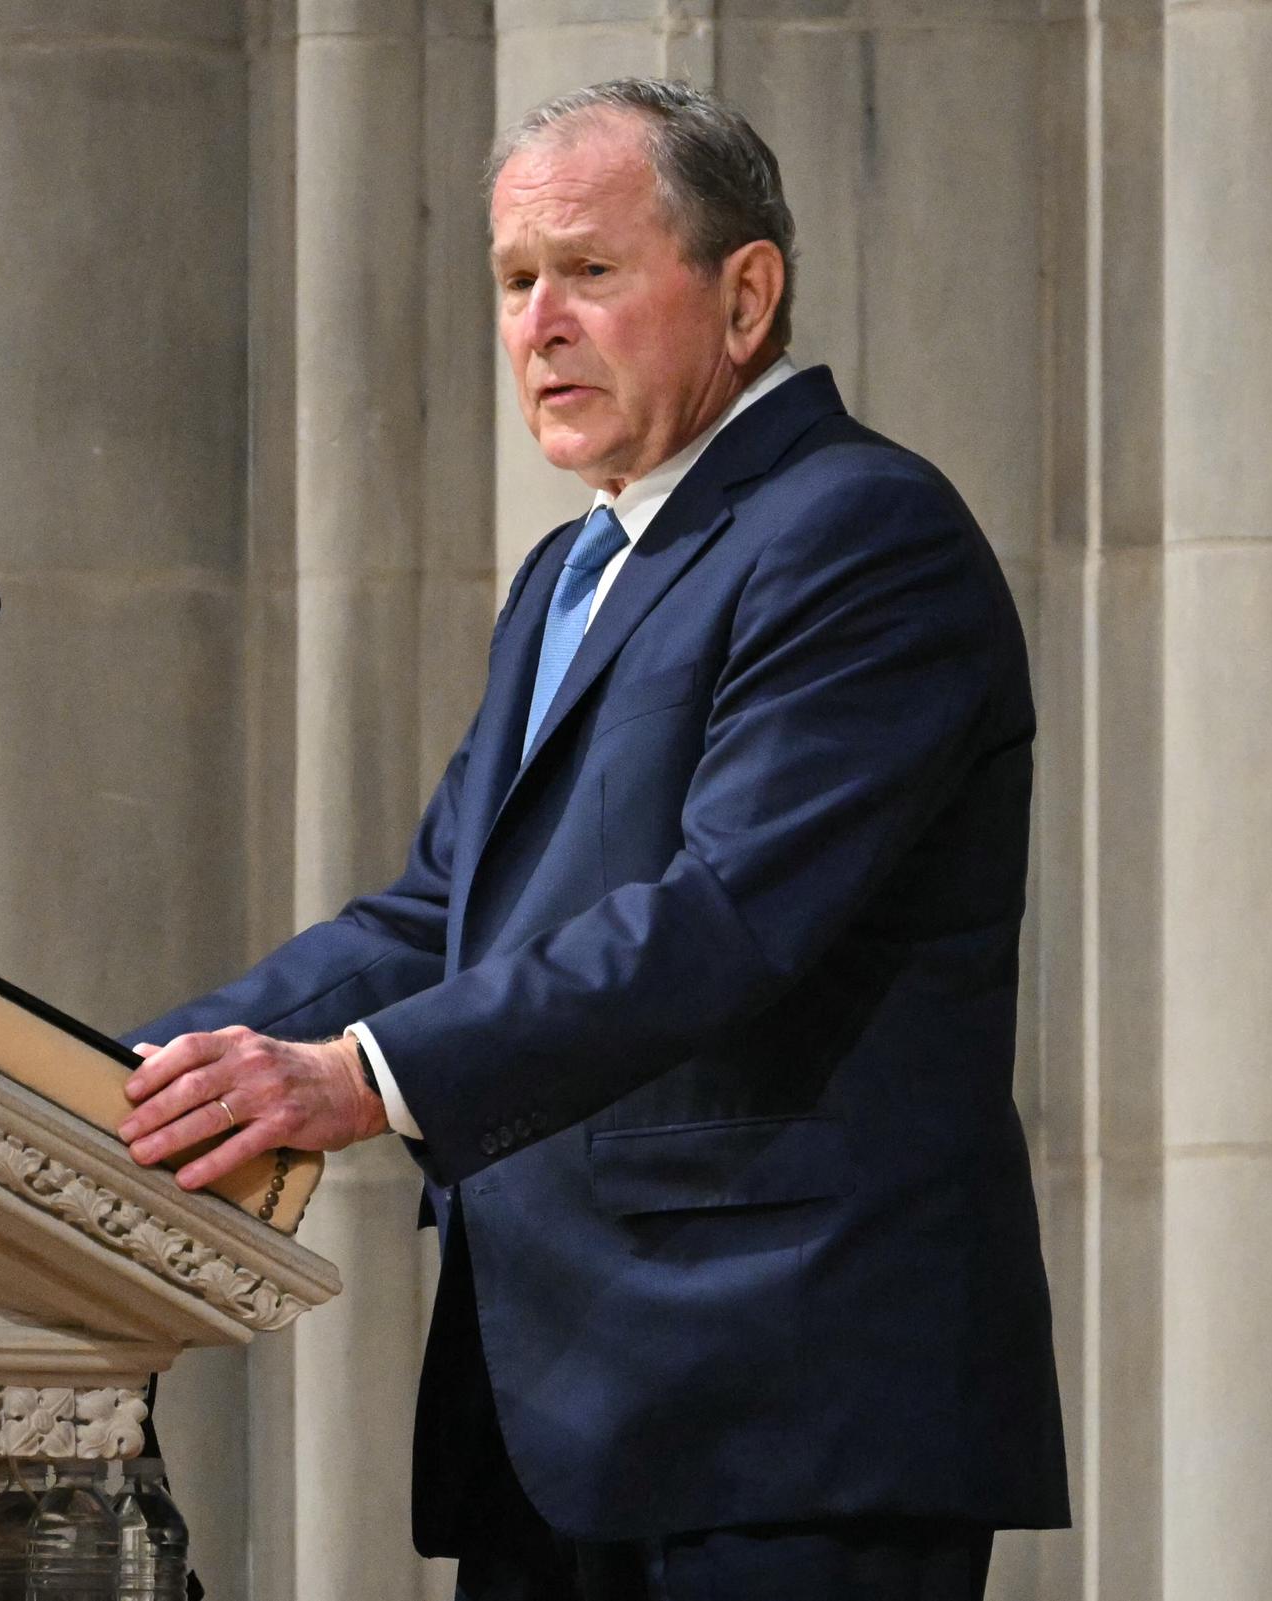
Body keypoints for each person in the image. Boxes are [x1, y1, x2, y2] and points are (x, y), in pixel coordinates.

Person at [115, 77, 1068, 1601]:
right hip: (563, 1412)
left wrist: (355, 1079)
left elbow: (726, 917)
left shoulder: (859, 530)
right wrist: (96, 1080)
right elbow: (441, 912)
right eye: (511, 280)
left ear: (745, 293)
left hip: (783, 1407)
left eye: (589, 271)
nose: (537, 323)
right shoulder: (572, 570)